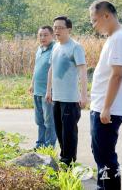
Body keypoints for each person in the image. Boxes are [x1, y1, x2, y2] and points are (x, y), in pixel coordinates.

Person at [89, 0, 122, 190]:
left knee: (106, 157)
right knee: (101, 154)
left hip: (108, 110)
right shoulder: (114, 38)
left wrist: (106, 108)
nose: (93, 25)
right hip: (102, 107)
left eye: (94, 20)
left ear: (106, 16)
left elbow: (117, 75)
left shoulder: (119, 39)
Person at [46, 16, 88, 166]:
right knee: (59, 130)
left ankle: (68, 161)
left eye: (60, 28)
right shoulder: (55, 46)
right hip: (57, 97)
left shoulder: (75, 47)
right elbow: (51, 69)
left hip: (70, 99)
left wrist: (84, 95)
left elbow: (82, 70)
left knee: (69, 132)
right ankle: (64, 158)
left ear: (69, 30)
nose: (57, 30)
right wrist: (48, 90)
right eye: (55, 27)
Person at [29, 25, 57, 149]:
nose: (42, 37)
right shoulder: (39, 49)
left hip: (48, 92)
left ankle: (49, 147)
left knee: (49, 122)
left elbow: (54, 71)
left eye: (45, 35)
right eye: (40, 35)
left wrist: (49, 90)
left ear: (52, 35)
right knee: (39, 121)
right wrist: (32, 83)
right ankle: (40, 144)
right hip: (37, 91)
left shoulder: (55, 49)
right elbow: (36, 68)